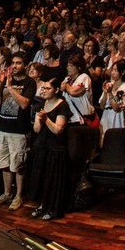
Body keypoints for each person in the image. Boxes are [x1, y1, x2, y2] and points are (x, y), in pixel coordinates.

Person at [0, 52, 34, 210]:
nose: (15, 66)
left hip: (19, 130)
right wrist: (0, 84)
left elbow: (24, 104)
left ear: (25, 66)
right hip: (2, 128)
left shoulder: (29, 83)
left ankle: (18, 196)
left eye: (19, 63)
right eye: (13, 63)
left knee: (18, 165)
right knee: (5, 164)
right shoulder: (6, 80)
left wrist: (9, 87)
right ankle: (7, 193)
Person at [28, 79, 72, 221]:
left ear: (56, 90)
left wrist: (46, 119)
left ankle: (53, 209)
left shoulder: (62, 106)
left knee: (52, 180)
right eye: (43, 88)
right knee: (41, 178)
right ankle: (42, 205)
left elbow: (58, 130)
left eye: (48, 88)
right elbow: (36, 129)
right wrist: (39, 120)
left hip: (56, 148)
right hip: (41, 146)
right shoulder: (41, 105)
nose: (44, 90)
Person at [98, 61, 125, 135]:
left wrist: (109, 92)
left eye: (116, 70)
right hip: (106, 116)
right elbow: (102, 106)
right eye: (112, 70)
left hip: (117, 117)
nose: (113, 73)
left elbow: (116, 107)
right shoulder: (109, 85)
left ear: (122, 72)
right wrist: (105, 92)